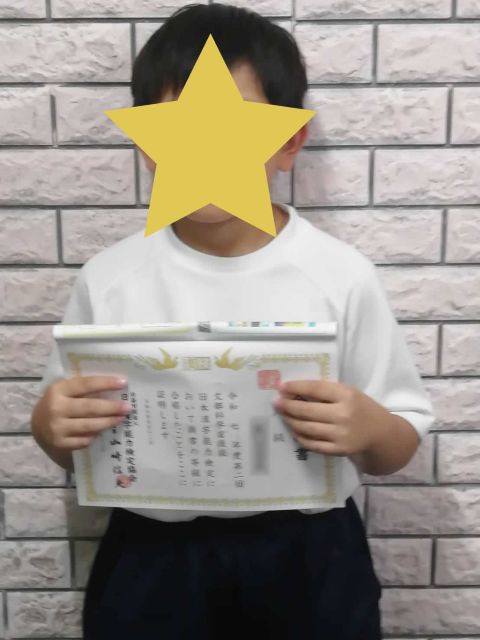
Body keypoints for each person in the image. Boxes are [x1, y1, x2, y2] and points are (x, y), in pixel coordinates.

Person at [30, 3, 435, 639]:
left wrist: (369, 425)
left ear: (289, 142)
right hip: (152, 552)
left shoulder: (340, 274)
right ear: (147, 144)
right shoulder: (110, 277)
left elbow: (399, 442)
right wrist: (50, 425)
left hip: (308, 550)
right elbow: (65, 434)